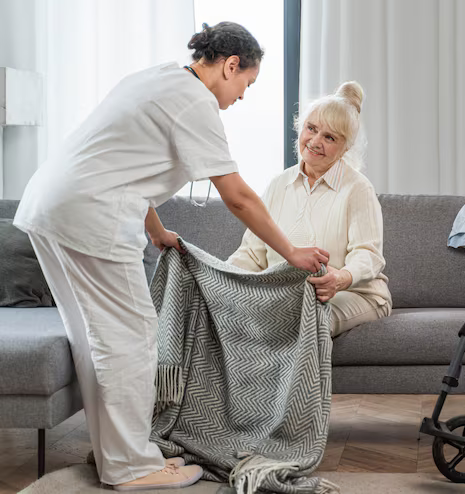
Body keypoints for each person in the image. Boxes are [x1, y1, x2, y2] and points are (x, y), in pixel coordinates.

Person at [13, 22, 328, 491]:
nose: (243, 96)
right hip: (89, 220)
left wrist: (156, 230)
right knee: (134, 338)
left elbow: (123, 162)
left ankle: (118, 458)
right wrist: (292, 251)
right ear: (230, 65)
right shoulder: (195, 102)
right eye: (248, 83)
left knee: (96, 340)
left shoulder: (158, 78)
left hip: (51, 209)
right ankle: (132, 467)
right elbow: (238, 196)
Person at [227, 81, 391, 337]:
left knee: (303, 320)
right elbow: (252, 254)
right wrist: (224, 279)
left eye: (329, 137)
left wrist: (341, 278)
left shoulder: (358, 189)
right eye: (311, 129)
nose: (315, 141)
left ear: (345, 147)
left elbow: (368, 255)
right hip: (288, 295)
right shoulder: (278, 185)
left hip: (355, 294)